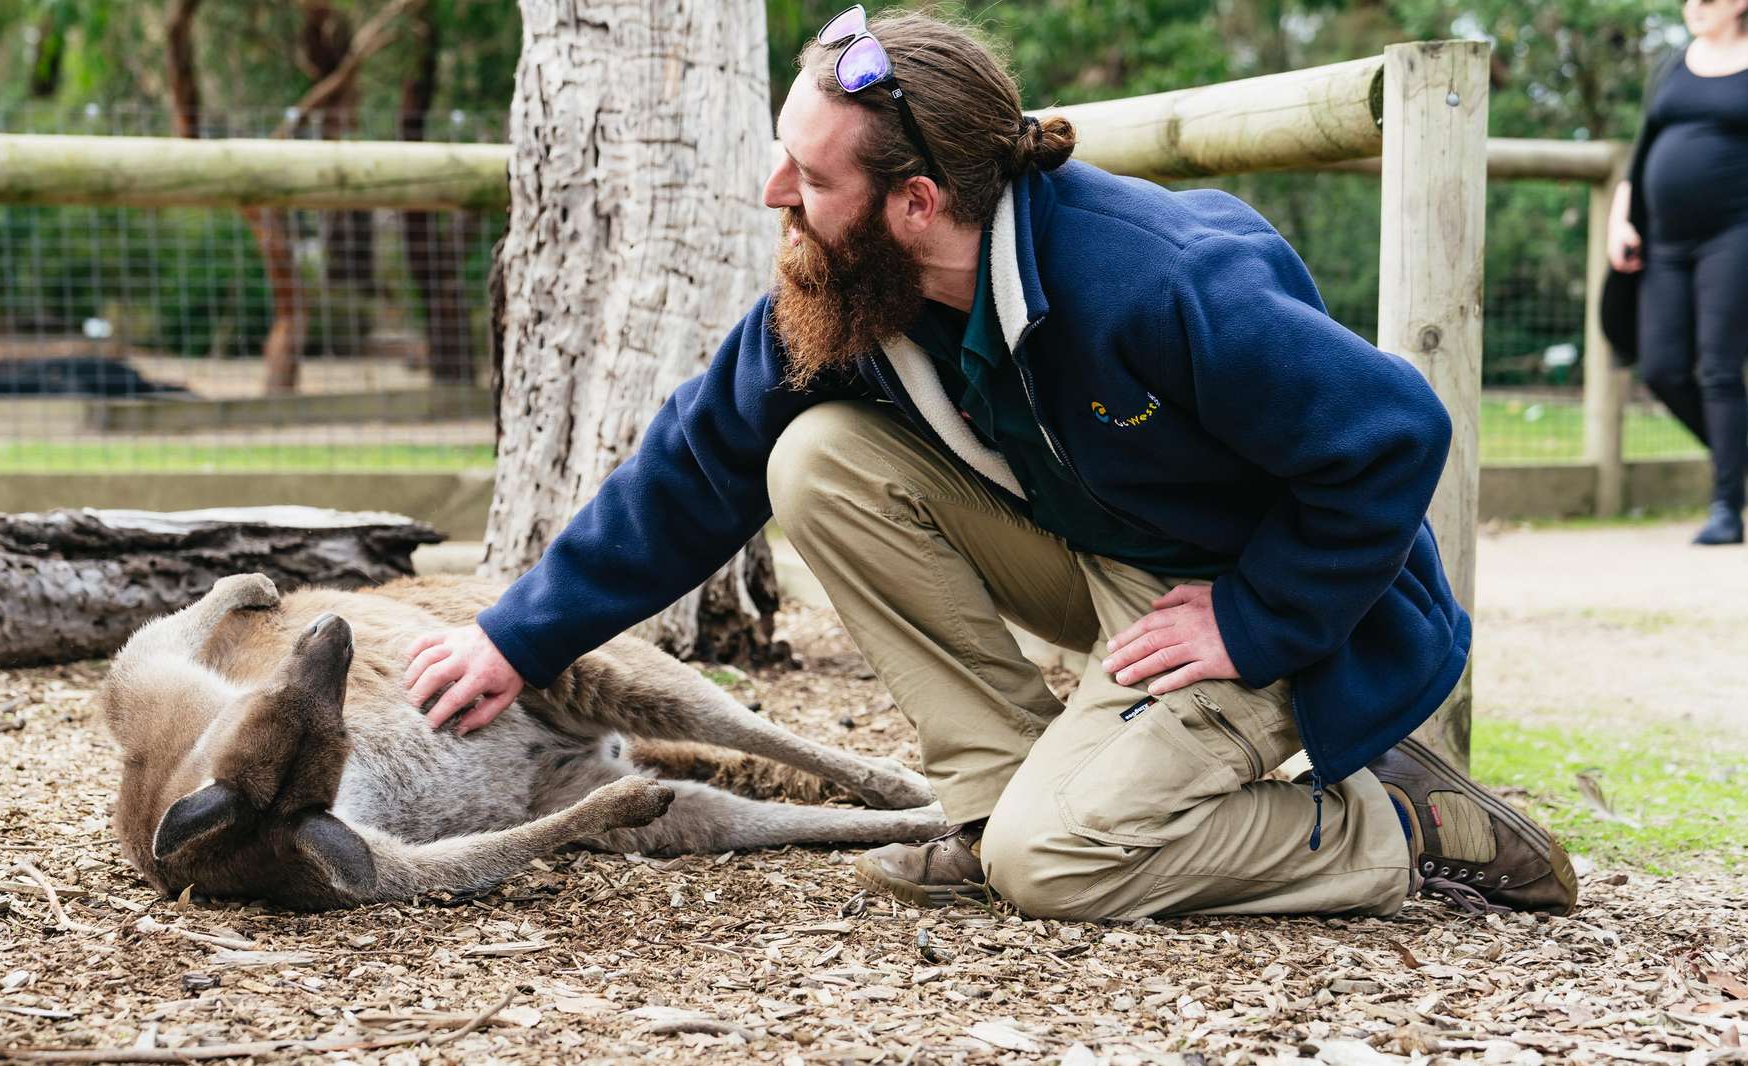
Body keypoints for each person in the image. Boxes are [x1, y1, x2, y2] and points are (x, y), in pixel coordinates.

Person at [402, 8, 1578, 920]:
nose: (776, 196)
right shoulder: (851, 291)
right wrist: (516, 638)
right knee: (812, 458)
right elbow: (698, 462)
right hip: (1103, 559)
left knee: (1055, 866)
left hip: (1251, 600)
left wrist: (1262, 616)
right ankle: (993, 800)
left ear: (914, 202)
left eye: (809, 181)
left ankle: (1400, 828)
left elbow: (1393, 434)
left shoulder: (1161, 279)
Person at [1608, 0, 1748, 545]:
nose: (1694, 6)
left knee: (1718, 368)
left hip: (1735, 233)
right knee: (1663, 367)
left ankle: (1725, 508)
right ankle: (1736, 460)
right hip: (1663, 240)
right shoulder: (1673, 61)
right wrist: (1621, 219)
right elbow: (1641, 151)